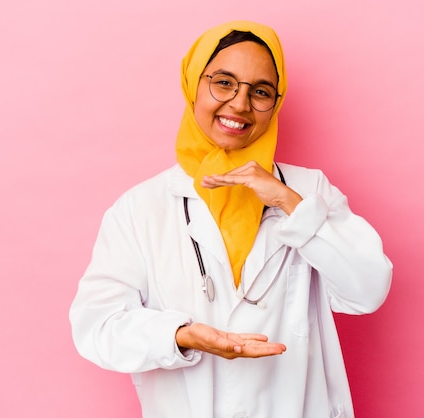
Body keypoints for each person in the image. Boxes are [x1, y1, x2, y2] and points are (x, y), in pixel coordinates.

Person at [70, 20, 392, 418]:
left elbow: (367, 290)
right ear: (193, 85)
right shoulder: (140, 208)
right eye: (223, 83)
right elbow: (97, 328)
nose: (240, 105)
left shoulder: (309, 191)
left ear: (276, 102)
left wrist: (290, 203)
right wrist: (181, 336)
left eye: (260, 92)